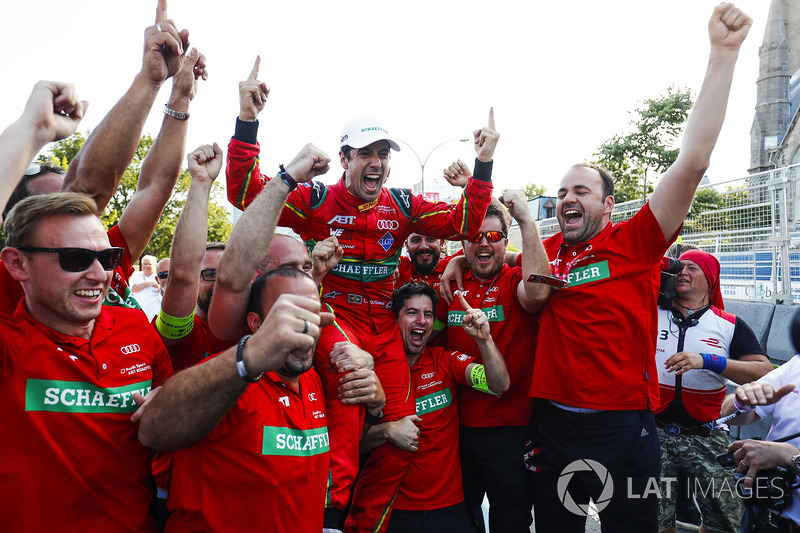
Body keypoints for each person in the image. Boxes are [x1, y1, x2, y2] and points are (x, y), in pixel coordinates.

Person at [223, 58, 497, 533]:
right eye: (365, 153)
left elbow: (466, 225)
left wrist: (483, 163)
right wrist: (247, 122)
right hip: (335, 319)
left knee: (404, 432)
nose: (376, 163)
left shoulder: (404, 205)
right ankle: (329, 514)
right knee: (350, 390)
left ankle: (360, 525)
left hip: (385, 331)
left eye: (383, 155)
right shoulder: (315, 199)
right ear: (344, 157)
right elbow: (245, 192)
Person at [525, 5, 752, 531]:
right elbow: (500, 266)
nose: (566, 199)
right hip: (552, 425)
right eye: (560, 192)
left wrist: (722, 55)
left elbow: (692, 162)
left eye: (581, 190)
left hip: (621, 428)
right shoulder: (549, 248)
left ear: (608, 205)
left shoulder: (637, 241)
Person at [0, 0, 206, 315]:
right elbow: (86, 188)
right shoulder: (10, 283)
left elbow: (155, 188)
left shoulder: (106, 259)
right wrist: (149, 80)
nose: (79, 211)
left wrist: (180, 97)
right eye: (55, 205)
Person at [0, 192, 172, 531]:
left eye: (107, 258)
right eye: (76, 258)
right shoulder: (9, 343)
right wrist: (32, 135)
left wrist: (171, 407)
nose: (99, 275)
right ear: (17, 263)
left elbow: (171, 402)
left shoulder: (135, 326)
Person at [438, 191, 551, 532]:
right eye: (474, 237)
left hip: (509, 431)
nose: (483, 244)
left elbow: (539, 293)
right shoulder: (451, 285)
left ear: (505, 241)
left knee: (510, 521)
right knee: (463, 518)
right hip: (456, 429)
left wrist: (526, 223)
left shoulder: (514, 280)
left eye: (493, 237)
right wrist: (453, 261)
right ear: (463, 243)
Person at [363, 282, 510, 533]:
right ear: (395, 319)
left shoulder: (445, 360)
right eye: (412, 313)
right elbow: (350, 445)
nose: (421, 320)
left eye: (428, 314)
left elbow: (499, 384)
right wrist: (387, 431)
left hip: (449, 508)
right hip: (392, 510)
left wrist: (485, 341)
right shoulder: (372, 370)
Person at [654, 249, 772, 533]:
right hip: (653, 433)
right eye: (679, 268)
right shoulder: (651, 312)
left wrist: (709, 360)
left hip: (706, 434)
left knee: (724, 522)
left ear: (710, 279)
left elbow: (764, 371)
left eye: (693, 268)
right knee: (654, 521)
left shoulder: (729, 324)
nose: (682, 272)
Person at [720, 360, 800, 531]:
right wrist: (740, 402)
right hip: (766, 513)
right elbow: (730, 413)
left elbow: (788, 455)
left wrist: (792, 458)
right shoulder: (797, 364)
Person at [131, 254, 162, 319]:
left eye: (149, 264)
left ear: (155, 265)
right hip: (137, 309)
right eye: (144, 264)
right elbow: (132, 289)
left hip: (153, 312)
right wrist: (148, 283)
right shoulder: (136, 275)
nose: (146, 266)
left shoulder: (159, 277)